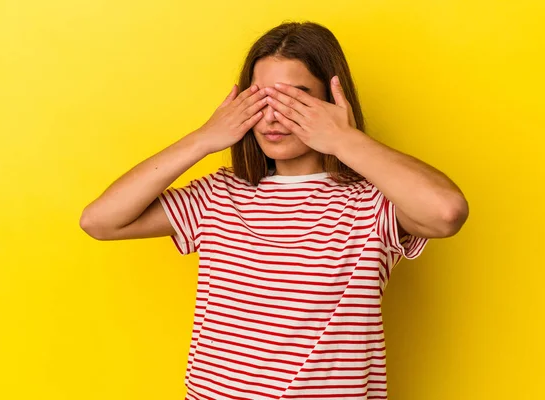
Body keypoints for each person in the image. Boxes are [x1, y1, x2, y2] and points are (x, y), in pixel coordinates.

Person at [80, 21, 468, 400]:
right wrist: (203, 139)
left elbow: (446, 211)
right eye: (261, 99)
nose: (271, 117)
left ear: (331, 103)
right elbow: (100, 221)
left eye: (294, 100)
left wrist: (343, 140)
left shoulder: (373, 201)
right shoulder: (217, 194)